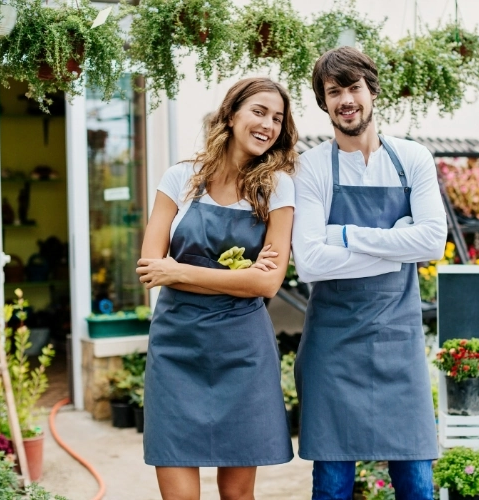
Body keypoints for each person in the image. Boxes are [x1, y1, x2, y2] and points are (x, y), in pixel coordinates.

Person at [291, 47, 448, 500]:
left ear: (372, 91)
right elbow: (311, 264)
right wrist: (397, 246)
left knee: (417, 484)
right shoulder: (312, 166)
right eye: (333, 91)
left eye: (353, 87)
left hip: (398, 341)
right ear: (324, 103)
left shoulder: (413, 159)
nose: (346, 100)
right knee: (333, 486)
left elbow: (431, 243)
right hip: (333, 347)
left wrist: (342, 235)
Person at [136, 77, 297, 500]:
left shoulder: (276, 188)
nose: (268, 125)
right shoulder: (180, 179)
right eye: (259, 112)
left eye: (278, 118)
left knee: (237, 495)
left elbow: (268, 282)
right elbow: (152, 268)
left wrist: (182, 272)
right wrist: (238, 281)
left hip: (242, 351)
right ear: (231, 114)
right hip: (176, 348)